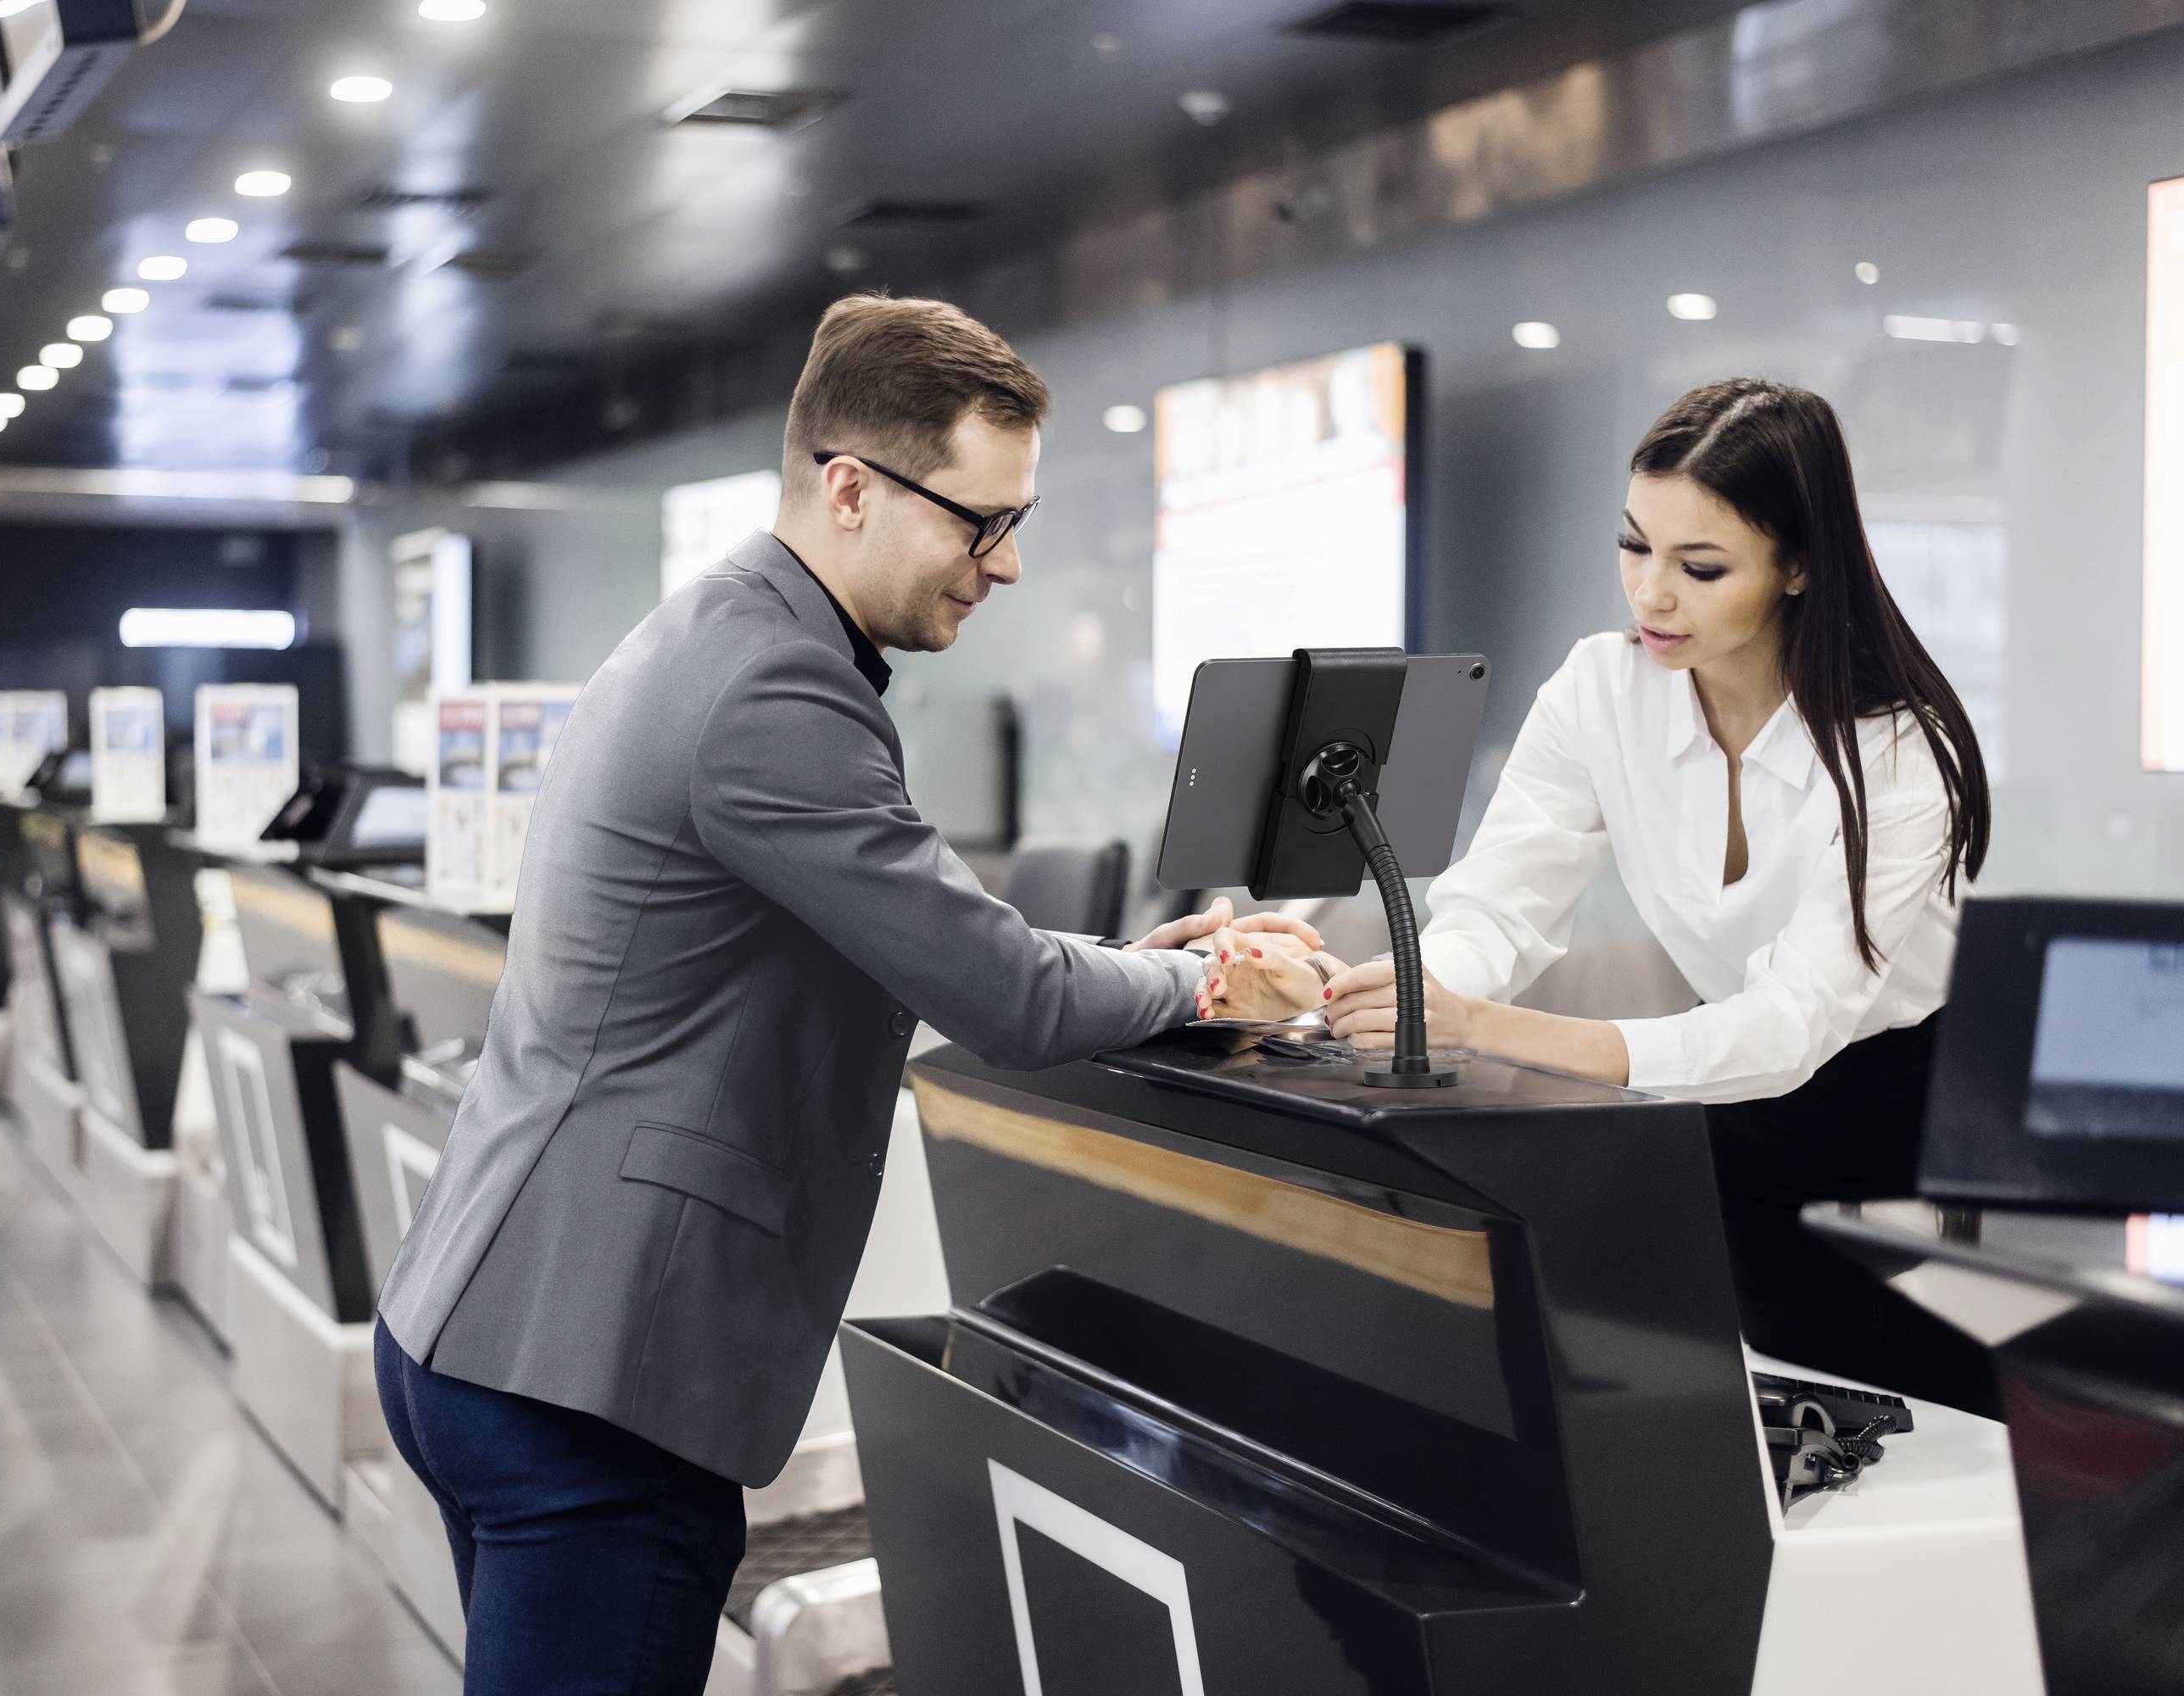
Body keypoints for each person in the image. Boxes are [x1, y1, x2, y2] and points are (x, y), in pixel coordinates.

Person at [374, 293, 1328, 1694]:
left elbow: (925, 935)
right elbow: (1004, 993)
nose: (1003, 565)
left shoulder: (728, 632)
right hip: (590, 1369)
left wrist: (1154, 967)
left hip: (508, 1322)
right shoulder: (774, 688)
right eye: (980, 522)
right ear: (849, 487)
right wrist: (1201, 985)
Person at [1323, 377, 1998, 1417]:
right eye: (1634, 545)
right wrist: (1415, 995)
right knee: (1758, 1418)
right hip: (1725, 1099)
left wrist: (1498, 1027)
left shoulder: (1900, 754)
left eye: (1702, 566)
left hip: (1897, 1120)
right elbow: (1500, 903)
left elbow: (1789, 1025)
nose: (1650, 595)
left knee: (1915, 1432)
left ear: (1800, 566)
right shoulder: (1600, 689)